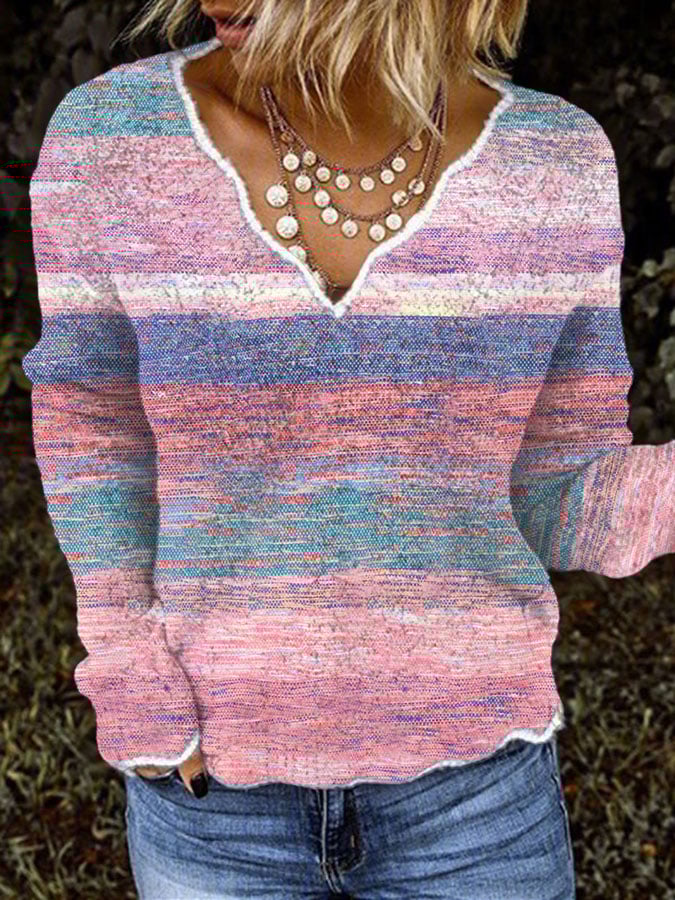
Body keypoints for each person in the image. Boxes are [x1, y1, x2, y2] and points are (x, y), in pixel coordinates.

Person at [22, 0, 675, 897]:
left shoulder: (553, 165)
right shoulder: (114, 141)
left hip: (474, 811)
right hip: (214, 813)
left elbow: (552, 492)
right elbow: (92, 422)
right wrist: (128, 665)